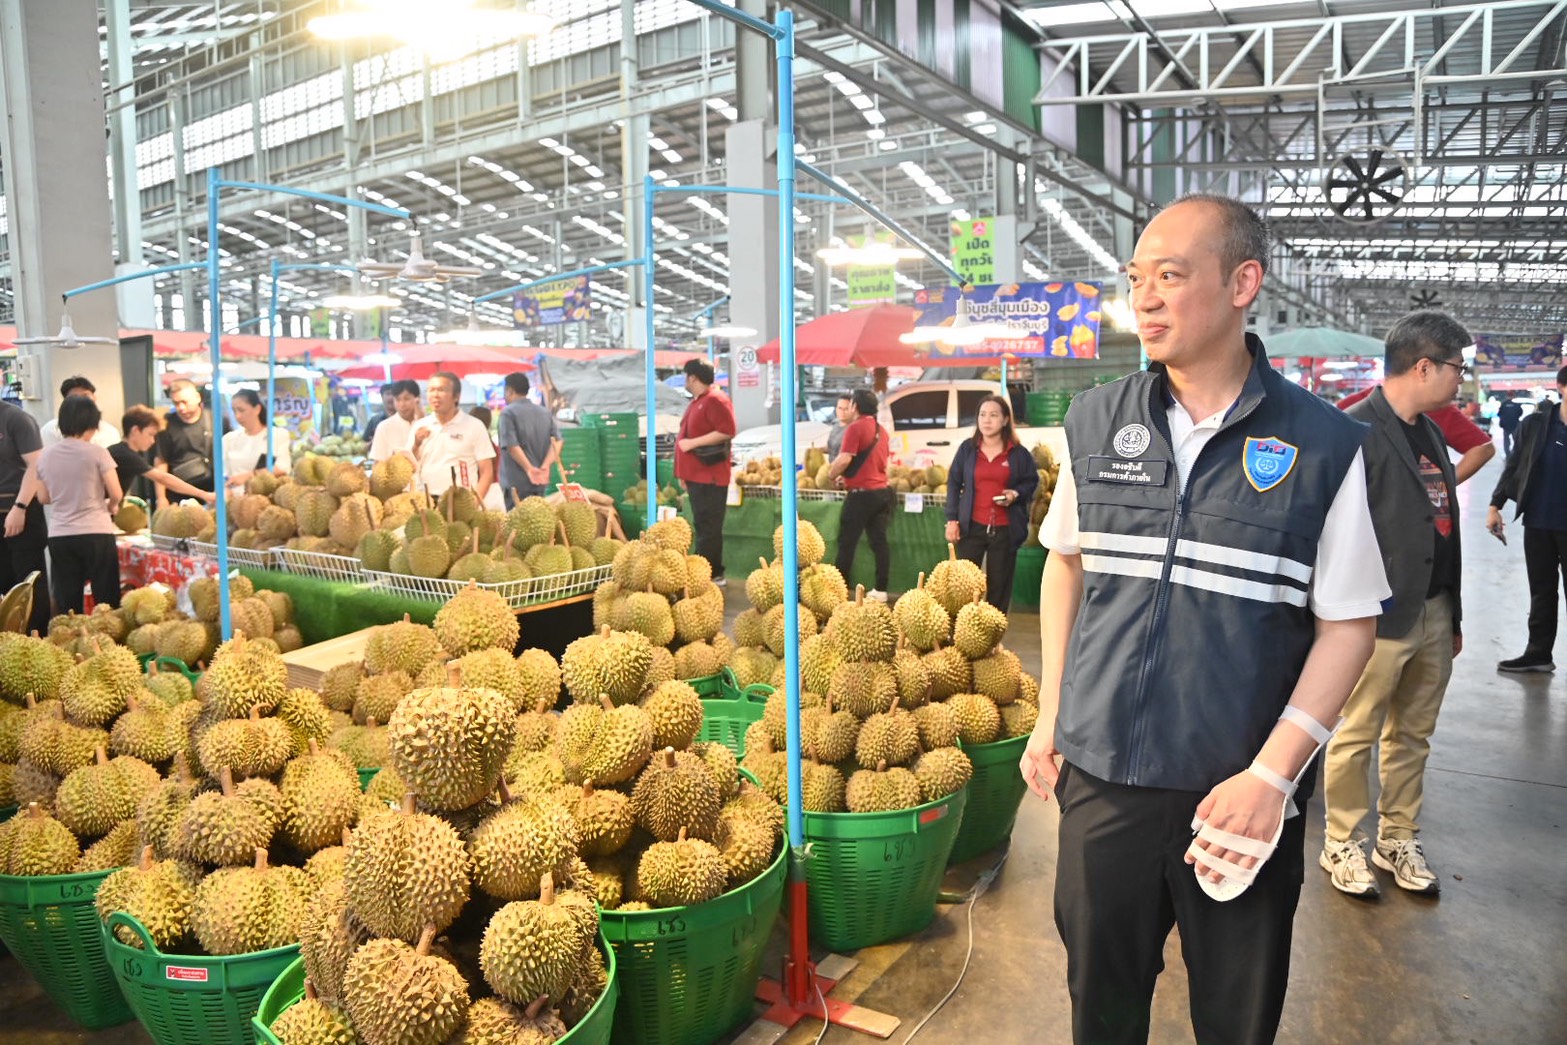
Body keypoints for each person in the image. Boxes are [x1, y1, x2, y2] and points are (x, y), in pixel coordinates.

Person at [1023, 194, 1389, 1044]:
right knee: (1100, 1004)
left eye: (1171, 276)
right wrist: (1051, 715)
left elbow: (1349, 623)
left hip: (1235, 798)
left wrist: (1273, 775)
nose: (1143, 298)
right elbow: (1065, 561)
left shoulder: (1322, 446)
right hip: (1102, 781)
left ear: (1241, 283)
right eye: (1135, 279)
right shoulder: (1094, 422)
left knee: (1235, 1013)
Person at [1321, 312, 1469, 899]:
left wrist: (1453, 613)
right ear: (1424, 366)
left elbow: (1445, 527)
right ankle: (1342, 842)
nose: (1461, 379)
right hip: (1376, 615)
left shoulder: (1431, 432)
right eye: (1457, 367)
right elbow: (1328, 532)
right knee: (1356, 732)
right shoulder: (1353, 431)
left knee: (1413, 733)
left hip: (1433, 611)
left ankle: (1396, 837)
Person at [1486, 366, 1567, 673]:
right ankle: (1538, 653)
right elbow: (1515, 465)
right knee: (1542, 591)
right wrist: (1495, 505)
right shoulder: (1534, 425)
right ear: (1561, 386)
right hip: (1539, 521)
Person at [942, 395, 1039, 613]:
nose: (987, 420)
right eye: (982, 415)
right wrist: (952, 519)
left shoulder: (1018, 453)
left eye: (994, 415)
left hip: (1005, 530)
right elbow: (954, 483)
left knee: (999, 589)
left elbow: (1032, 482)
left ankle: (993, 639)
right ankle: (962, 640)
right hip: (971, 527)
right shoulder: (968, 450)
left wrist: (1015, 493)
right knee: (964, 588)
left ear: (1005, 420)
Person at [34, 396, 122, 614]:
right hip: (97, 532)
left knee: (67, 601)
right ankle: (106, 643)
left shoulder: (45, 456)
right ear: (91, 425)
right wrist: (112, 506)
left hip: (61, 535)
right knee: (106, 600)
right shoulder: (98, 453)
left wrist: (65, 493)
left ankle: (70, 644)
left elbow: (43, 497)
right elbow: (116, 492)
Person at [1337, 383, 1495, 484]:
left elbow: (1483, 448)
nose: (1459, 380)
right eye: (1457, 368)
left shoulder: (1436, 408)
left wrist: (1444, 486)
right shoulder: (1351, 407)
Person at [675, 359, 736, 585]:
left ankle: (711, 574)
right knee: (702, 524)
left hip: (710, 476)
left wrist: (691, 443)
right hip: (696, 477)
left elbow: (728, 430)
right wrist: (683, 473)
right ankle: (707, 571)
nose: (685, 380)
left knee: (708, 526)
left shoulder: (716, 400)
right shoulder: (697, 402)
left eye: (685, 376)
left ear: (693, 377)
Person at [828, 389, 893, 601]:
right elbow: (879, 464)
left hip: (860, 497)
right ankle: (881, 590)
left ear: (855, 406)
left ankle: (838, 591)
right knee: (879, 542)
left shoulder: (855, 428)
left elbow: (845, 459)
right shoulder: (882, 431)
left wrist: (832, 473)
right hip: (882, 493)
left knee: (847, 542)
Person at [0, 396, 51, 634]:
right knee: (5, 585)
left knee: (29, 584)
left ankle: (37, 640)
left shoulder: (16, 419)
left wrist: (19, 508)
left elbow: (36, 465)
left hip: (22, 512)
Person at [406, 371, 495, 501]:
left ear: (456, 396)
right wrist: (416, 444)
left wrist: (475, 503)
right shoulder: (420, 426)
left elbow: (487, 472)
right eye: (431, 390)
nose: (435, 395)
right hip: (427, 500)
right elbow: (409, 466)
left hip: (462, 501)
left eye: (441, 390)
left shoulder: (474, 426)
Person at [109, 406, 217, 505]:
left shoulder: (120, 451)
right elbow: (163, 478)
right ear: (135, 430)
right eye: (150, 434)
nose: (152, 441)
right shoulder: (126, 455)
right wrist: (203, 494)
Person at [153, 379, 228, 507]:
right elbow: (161, 462)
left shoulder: (216, 420)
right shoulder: (166, 424)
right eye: (176, 403)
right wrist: (161, 498)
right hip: (178, 494)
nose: (181, 408)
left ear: (197, 398)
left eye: (184, 402)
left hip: (212, 493)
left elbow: (228, 455)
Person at [497, 372, 560, 507]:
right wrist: (545, 466)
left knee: (517, 524)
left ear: (510, 390)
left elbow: (511, 445)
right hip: (540, 483)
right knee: (539, 523)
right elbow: (558, 441)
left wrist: (529, 469)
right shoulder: (544, 412)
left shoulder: (508, 413)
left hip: (516, 484)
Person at [223, 389, 292, 488]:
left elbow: (282, 467)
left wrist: (248, 476)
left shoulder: (276, 435)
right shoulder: (229, 439)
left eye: (241, 410)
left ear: (257, 409)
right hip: (235, 498)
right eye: (234, 411)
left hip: (265, 499)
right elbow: (225, 474)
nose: (237, 416)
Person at [40, 376, 119, 449]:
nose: (81, 402)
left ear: (94, 398)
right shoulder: (50, 430)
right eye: (75, 397)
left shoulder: (109, 432)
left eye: (85, 396)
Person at [369, 380, 421, 464]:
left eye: (406, 399)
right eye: (397, 399)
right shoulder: (384, 427)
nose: (402, 404)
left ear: (417, 399)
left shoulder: (426, 423)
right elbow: (378, 462)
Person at [825, 394, 852, 459]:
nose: (842, 412)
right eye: (840, 408)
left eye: (846, 409)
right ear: (836, 409)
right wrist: (816, 450)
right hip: (831, 466)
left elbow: (846, 458)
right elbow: (831, 448)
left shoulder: (853, 429)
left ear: (853, 410)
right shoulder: (836, 425)